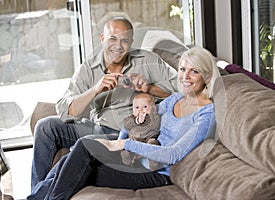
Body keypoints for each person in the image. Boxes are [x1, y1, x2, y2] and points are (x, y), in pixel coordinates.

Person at [27, 46, 220, 200]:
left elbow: (173, 154)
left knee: (81, 155)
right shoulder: (175, 99)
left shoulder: (206, 114)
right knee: (71, 158)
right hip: (136, 158)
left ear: (207, 76)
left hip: (155, 172)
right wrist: (122, 140)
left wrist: (123, 144)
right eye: (183, 69)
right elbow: (140, 122)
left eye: (193, 71)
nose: (185, 77)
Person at [30, 16, 177, 190]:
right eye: (112, 38)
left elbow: (179, 92)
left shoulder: (148, 60)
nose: (118, 46)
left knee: (83, 146)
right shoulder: (88, 68)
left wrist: (149, 87)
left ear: (131, 42)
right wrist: (95, 90)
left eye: (124, 41)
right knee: (45, 126)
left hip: (129, 134)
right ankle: (36, 190)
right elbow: (66, 109)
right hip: (97, 127)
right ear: (102, 39)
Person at [119, 93, 161, 170]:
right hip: (133, 140)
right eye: (137, 107)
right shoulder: (132, 118)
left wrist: (147, 120)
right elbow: (126, 125)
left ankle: (153, 162)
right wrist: (136, 121)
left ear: (153, 108)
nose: (140, 110)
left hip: (148, 139)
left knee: (153, 143)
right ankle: (127, 158)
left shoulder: (154, 117)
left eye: (145, 107)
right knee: (126, 145)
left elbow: (156, 126)